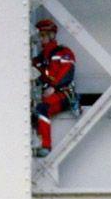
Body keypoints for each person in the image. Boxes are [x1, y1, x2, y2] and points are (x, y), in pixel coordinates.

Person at [32, 18, 78, 157]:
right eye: (40, 36)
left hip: (63, 94)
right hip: (51, 94)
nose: (41, 39)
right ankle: (37, 142)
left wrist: (53, 87)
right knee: (36, 111)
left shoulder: (63, 52)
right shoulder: (42, 58)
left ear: (51, 35)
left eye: (43, 35)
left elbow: (66, 72)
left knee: (42, 109)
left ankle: (45, 145)